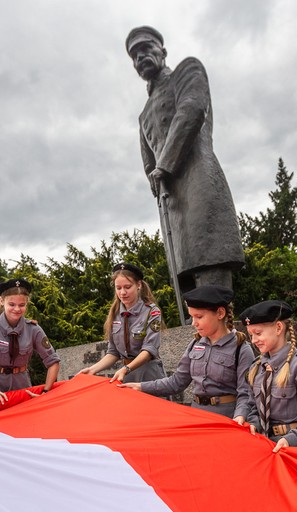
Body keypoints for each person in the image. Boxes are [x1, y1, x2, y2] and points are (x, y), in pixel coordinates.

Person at [126, 26, 244, 293]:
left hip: (199, 182)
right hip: (171, 200)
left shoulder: (186, 71)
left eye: (145, 48)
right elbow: (148, 161)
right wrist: (156, 177)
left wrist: (164, 166)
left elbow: (191, 110)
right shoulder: (143, 115)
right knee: (186, 282)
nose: (140, 57)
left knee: (210, 265)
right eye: (134, 55)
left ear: (163, 51)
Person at [121, 285, 253, 418]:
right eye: (192, 317)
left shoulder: (241, 349)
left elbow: (245, 393)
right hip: (197, 416)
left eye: (199, 317)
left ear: (220, 313)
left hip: (226, 419)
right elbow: (176, 382)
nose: (193, 323)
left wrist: (240, 417)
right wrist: (140, 387)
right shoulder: (195, 344)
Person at [234, 300, 297, 452]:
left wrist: (291, 439)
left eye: (258, 333)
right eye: (251, 335)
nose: (253, 341)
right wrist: (253, 423)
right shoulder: (256, 368)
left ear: (278, 327)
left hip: (294, 449)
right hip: (264, 446)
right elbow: (254, 407)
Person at [78, 262, 166, 383]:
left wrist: (126, 369)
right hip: (126, 376)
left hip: (149, 375)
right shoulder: (115, 314)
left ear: (138, 285)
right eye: (118, 288)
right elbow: (113, 352)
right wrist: (92, 369)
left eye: (127, 287)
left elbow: (149, 350)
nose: (122, 293)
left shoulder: (151, 312)